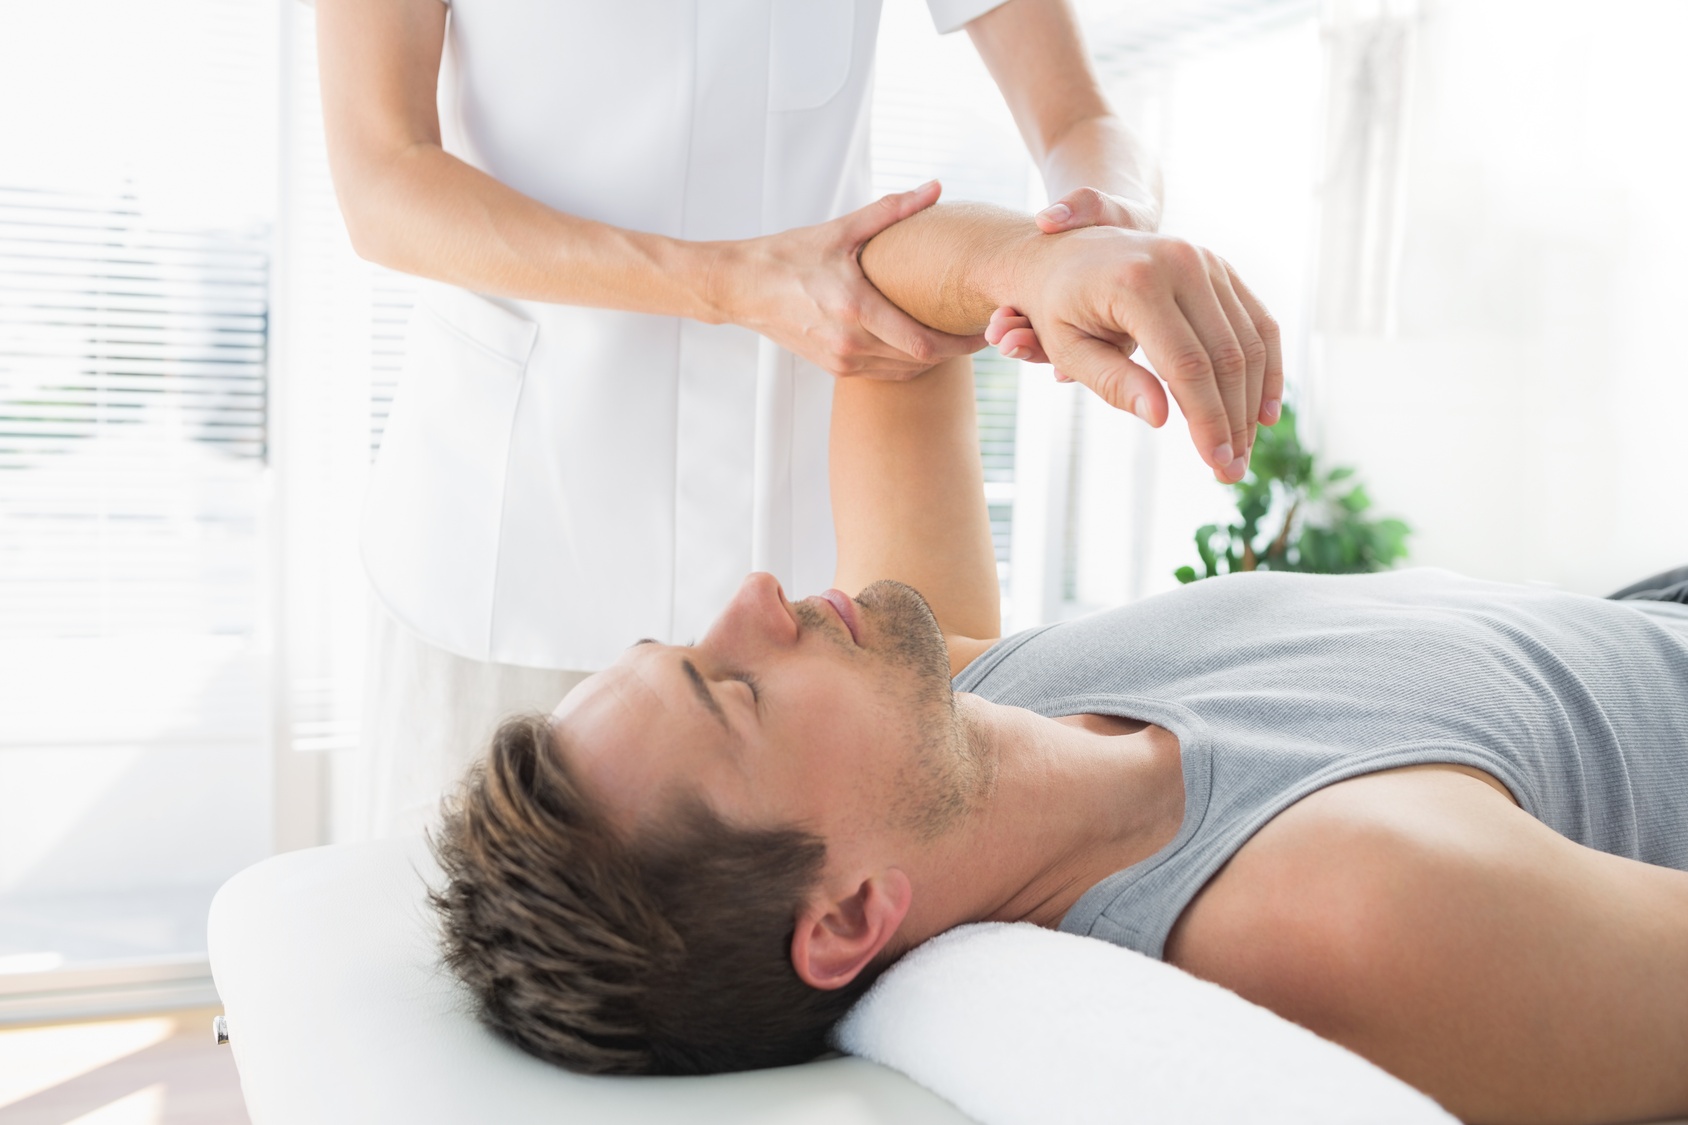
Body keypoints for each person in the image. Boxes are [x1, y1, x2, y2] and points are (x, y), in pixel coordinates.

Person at [426, 201, 1688, 1124]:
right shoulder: (1338, 911)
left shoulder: (968, 702)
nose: (752, 597)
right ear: (854, 911)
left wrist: (1041, 264)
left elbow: (875, 312)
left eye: (691, 643)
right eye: (735, 690)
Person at [317, 0, 1280, 838]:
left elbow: (1080, 117)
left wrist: (1093, 234)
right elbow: (383, 182)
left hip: (790, 583)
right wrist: (735, 283)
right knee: (473, 968)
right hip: (506, 540)